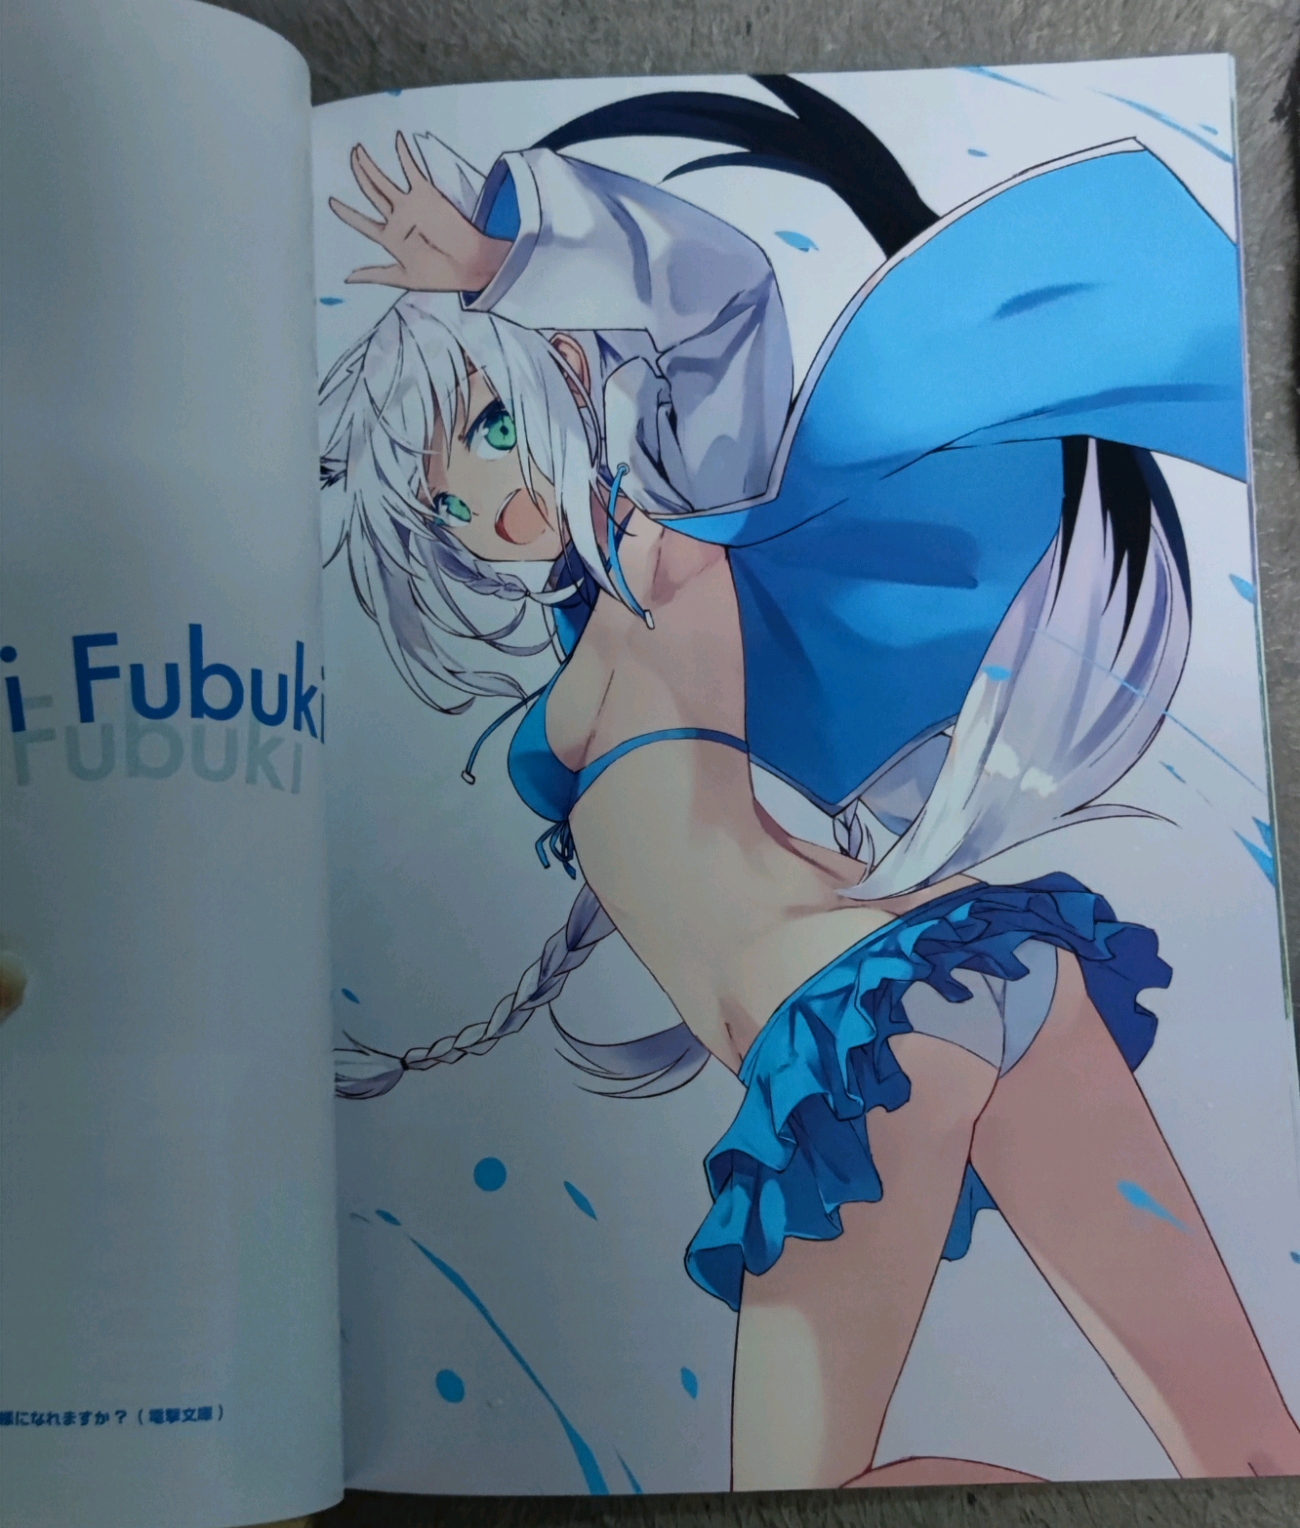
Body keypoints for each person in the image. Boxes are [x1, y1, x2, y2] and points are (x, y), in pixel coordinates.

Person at [319, 79, 1300, 1489]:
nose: (484, 505)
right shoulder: (608, 617)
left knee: (813, 1496)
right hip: (961, 970)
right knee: (1251, 1452)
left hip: (851, 1026)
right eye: (441, 498)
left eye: (482, 425)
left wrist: (502, 253)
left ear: (564, 363)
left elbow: (723, 298)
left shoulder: (667, 530)